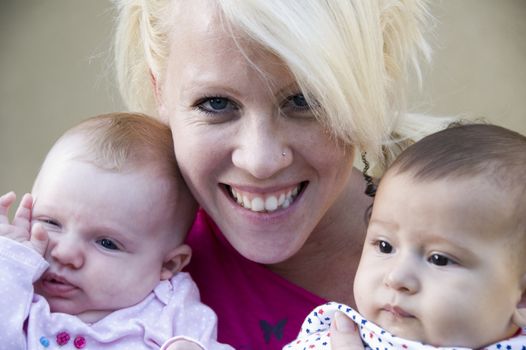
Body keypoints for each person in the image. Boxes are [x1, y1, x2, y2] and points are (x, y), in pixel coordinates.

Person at [113, 0, 456, 348]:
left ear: (369, 86)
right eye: (216, 103)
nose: (261, 162)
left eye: (304, 101)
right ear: (160, 91)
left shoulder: (483, 245)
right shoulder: (102, 275)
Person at [0, 113, 231, 349]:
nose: (65, 253)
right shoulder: (17, 287)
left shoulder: (171, 308)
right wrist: (9, 261)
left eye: (107, 243)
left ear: (168, 265)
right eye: (50, 222)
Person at [287, 123, 526, 349]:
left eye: (439, 259)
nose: (396, 277)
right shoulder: (334, 342)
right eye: (384, 246)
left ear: (522, 296)